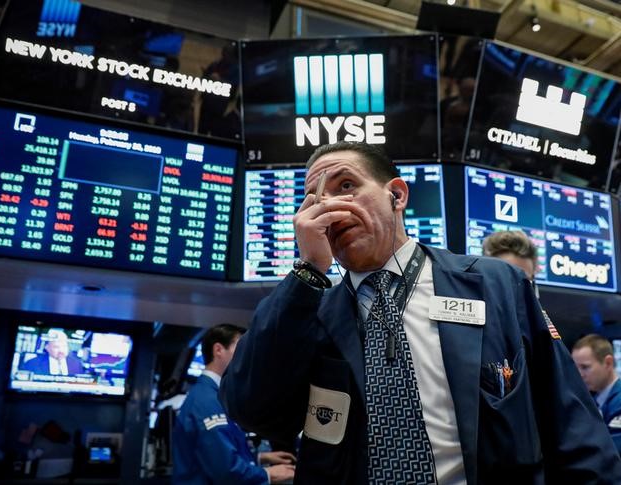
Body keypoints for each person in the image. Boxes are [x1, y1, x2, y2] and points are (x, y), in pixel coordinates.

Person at [220, 141, 621, 484]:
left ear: (397, 195)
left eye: (346, 185)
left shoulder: (494, 284)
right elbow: (251, 410)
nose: (329, 206)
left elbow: (574, 426)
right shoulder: (308, 308)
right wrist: (307, 273)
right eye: (314, 198)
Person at [172, 324, 295, 484]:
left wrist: (259, 457)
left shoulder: (213, 395)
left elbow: (219, 451)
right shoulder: (208, 401)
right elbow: (225, 470)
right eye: (241, 348)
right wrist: (268, 475)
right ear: (218, 350)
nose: (247, 356)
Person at [572, 334, 621, 453]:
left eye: (585, 367)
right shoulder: (593, 400)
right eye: (576, 368)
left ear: (608, 363)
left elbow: (611, 453)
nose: (579, 374)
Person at [20, 329, 84, 375]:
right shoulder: (32, 363)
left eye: (64, 346)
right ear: (47, 347)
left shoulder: (77, 364)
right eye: (56, 347)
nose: (61, 350)